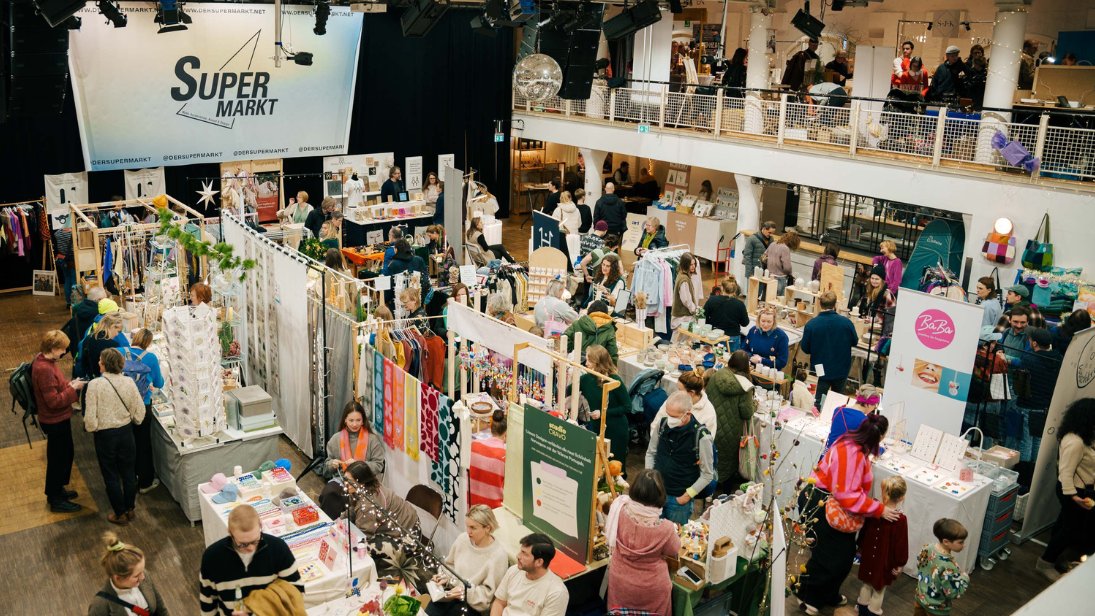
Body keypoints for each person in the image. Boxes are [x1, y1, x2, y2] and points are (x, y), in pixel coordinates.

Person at [796, 415, 900, 615]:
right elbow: (846, 495)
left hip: (826, 502)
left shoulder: (853, 441)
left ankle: (826, 593)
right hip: (820, 503)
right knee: (831, 556)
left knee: (839, 555)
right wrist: (878, 509)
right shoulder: (852, 453)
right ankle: (807, 596)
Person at [200, 505, 303, 616]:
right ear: (229, 532)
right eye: (243, 544)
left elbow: (296, 591)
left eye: (255, 541)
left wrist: (256, 612)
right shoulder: (212, 557)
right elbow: (208, 602)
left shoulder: (278, 548)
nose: (251, 548)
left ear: (260, 526)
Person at [604, 469, 680, 616]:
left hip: (620, 581)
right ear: (660, 494)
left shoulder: (619, 510)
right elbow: (674, 549)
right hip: (652, 587)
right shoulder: (666, 528)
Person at [1036, 398, 1095, 580]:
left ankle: (1053, 558)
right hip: (1074, 492)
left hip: (1080, 491)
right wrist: (1074, 497)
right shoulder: (1075, 442)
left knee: (1065, 523)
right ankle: (1045, 562)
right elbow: (1065, 472)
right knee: (1071, 528)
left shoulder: (1083, 437)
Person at [85, 347, 145, 526]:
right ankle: (130, 508)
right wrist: (133, 420)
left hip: (105, 435)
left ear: (104, 365)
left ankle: (120, 513)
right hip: (126, 433)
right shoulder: (128, 382)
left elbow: (90, 418)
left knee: (110, 475)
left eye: (100, 361)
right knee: (128, 472)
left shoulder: (94, 385)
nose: (98, 363)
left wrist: (94, 428)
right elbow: (139, 411)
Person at [32, 330, 87, 513]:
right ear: (53, 348)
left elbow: (56, 388)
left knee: (64, 456)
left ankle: (57, 491)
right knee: (58, 460)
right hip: (54, 420)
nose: (64, 352)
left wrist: (69, 384)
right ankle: (55, 499)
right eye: (62, 349)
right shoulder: (45, 369)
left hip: (59, 419)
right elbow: (53, 401)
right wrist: (73, 390)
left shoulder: (46, 361)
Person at [645, 391, 715, 524]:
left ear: (687, 414)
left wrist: (686, 496)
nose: (669, 419)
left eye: (674, 416)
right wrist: (650, 478)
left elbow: (707, 474)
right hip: (656, 493)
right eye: (668, 414)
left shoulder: (701, 437)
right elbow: (651, 453)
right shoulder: (662, 424)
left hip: (678, 499)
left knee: (675, 539)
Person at [429, 505, 510, 616]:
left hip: (471, 606)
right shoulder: (463, 539)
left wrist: (465, 592)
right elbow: (450, 564)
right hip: (450, 592)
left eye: (473, 528)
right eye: (467, 526)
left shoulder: (498, 556)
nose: (468, 531)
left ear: (488, 528)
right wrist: (444, 576)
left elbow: (488, 598)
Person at [318, 400, 385, 518]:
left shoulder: (372, 440)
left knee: (354, 500)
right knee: (328, 494)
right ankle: (331, 527)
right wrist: (332, 464)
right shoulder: (336, 439)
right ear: (345, 420)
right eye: (351, 420)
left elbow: (379, 465)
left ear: (363, 420)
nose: (355, 424)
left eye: (358, 420)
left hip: (364, 483)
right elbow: (327, 465)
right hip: (342, 480)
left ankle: (351, 531)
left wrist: (359, 465)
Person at [1007, 328, 1063, 466]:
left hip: (1027, 405)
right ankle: (1034, 471)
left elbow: (1020, 386)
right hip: (1045, 406)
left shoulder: (1030, 360)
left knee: (1025, 441)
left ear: (1035, 343)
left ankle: (1024, 471)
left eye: (1030, 340)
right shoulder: (1057, 358)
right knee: (1038, 440)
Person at [855, 477, 909, 616]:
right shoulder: (900, 519)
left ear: (883, 492)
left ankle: (861, 610)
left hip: (868, 556)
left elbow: (864, 531)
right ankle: (872, 613)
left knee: (866, 583)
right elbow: (901, 544)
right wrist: (900, 563)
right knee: (879, 589)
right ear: (902, 497)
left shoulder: (874, 510)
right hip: (884, 560)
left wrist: (860, 548)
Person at [801, 291, 859, 410]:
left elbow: (805, 348)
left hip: (820, 369)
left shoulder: (812, 324)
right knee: (838, 401)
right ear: (835, 305)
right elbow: (855, 341)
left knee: (818, 402)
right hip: (841, 368)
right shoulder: (846, 322)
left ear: (819, 303)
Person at [706, 352, 756, 489]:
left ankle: (709, 489)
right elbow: (746, 413)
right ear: (746, 366)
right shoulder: (745, 386)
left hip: (712, 424)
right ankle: (725, 493)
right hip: (731, 431)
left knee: (711, 457)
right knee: (729, 463)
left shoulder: (716, 375)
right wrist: (754, 405)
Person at [89, 532, 169, 616]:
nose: (143, 577)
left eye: (143, 571)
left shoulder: (144, 577)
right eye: (136, 575)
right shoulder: (100, 605)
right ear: (118, 578)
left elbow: (162, 610)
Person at [491, 534, 569, 616]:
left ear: (539, 562)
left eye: (524, 554)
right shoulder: (514, 570)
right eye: (521, 551)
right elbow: (499, 603)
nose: (518, 556)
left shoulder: (556, 593)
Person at [579, 345, 631, 468]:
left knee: (615, 467)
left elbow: (627, 407)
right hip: (597, 428)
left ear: (599, 363)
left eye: (589, 361)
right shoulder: (586, 379)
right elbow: (566, 391)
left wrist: (603, 413)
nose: (586, 364)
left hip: (616, 430)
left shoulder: (614, 380)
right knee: (598, 465)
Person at [344, 460, 420, 542]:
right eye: (345, 479)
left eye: (350, 482)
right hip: (403, 522)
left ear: (362, 483)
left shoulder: (368, 505)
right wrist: (337, 522)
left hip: (408, 534)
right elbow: (354, 509)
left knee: (360, 548)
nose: (345, 484)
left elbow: (362, 535)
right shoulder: (368, 486)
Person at [128, 329, 164, 494]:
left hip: (123, 402)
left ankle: (130, 476)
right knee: (143, 443)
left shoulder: (120, 352)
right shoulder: (150, 357)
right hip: (142, 403)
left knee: (129, 442)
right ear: (148, 343)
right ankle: (145, 482)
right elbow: (159, 382)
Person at [914, 519, 970, 616]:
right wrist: (964, 579)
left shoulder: (927, 547)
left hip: (920, 599)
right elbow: (953, 593)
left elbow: (919, 565)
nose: (964, 545)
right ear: (946, 542)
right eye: (960, 542)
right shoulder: (950, 566)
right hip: (937, 609)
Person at [824, 384, 881, 451]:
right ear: (868, 404)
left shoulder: (838, 410)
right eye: (874, 406)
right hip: (841, 458)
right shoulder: (864, 420)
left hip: (827, 454)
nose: (873, 409)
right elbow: (871, 446)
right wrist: (883, 449)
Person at [469, 412, 508, 509]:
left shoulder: (474, 445)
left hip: (471, 508)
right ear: (506, 433)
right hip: (493, 512)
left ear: (490, 428)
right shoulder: (505, 456)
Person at [704, 277, 749, 351]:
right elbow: (745, 323)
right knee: (731, 361)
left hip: (714, 336)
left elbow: (703, 317)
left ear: (722, 288)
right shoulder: (739, 304)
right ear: (735, 290)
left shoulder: (712, 300)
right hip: (732, 338)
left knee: (710, 360)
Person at [82, 312, 125, 380]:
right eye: (118, 331)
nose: (117, 334)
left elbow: (83, 362)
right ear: (112, 327)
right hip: (106, 381)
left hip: (90, 379)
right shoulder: (113, 345)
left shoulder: (88, 338)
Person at [859, 264, 896, 338]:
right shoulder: (868, 290)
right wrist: (863, 317)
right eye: (872, 278)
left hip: (879, 331)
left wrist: (875, 319)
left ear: (882, 280)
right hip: (865, 326)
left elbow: (891, 316)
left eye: (877, 279)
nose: (874, 281)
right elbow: (860, 305)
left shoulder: (887, 293)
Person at [744, 221, 776, 295]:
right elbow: (747, 257)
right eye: (769, 232)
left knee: (758, 294)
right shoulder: (751, 239)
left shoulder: (771, 240)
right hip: (753, 271)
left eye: (772, 233)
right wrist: (749, 273)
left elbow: (768, 254)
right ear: (764, 229)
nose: (770, 235)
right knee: (751, 295)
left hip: (764, 272)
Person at [763, 230, 799, 295]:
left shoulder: (772, 244)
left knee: (768, 299)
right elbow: (787, 267)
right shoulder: (785, 248)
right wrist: (789, 273)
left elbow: (763, 258)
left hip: (769, 276)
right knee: (778, 301)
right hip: (780, 278)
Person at [671, 252, 699, 333]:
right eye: (691, 264)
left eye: (694, 264)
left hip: (683, 318)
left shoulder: (682, 276)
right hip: (682, 318)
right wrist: (694, 310)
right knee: (680, 342)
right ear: (685, 265)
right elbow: (686, 300)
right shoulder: (684, 280)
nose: (693, 266)